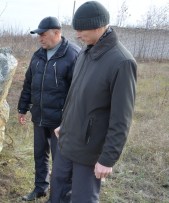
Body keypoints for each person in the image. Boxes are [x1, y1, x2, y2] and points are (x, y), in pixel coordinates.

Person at [50, 1, 137, 202]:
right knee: (58, 192)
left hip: (89, 151)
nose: (77, 35)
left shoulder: (122, 62)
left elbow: (121, 118)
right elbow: (76, 96)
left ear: (98, 27)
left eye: (81, 30)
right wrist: (65, 125)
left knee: (83, 198)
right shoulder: (85, 51)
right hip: (67, 142)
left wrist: (107, 159)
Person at [17, 16, 80, 201]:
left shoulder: (73, 55)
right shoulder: (38, 55)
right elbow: (29, 83)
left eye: (43, 35)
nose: (40, 39)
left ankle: (59, 197)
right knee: (39, 156)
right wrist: (23, 108)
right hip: (39, 117)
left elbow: (78, 92)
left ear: (57, 33)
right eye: (38, 35)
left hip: (61, 122)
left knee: (61, 163)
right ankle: (40, 188)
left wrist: (70, 120)